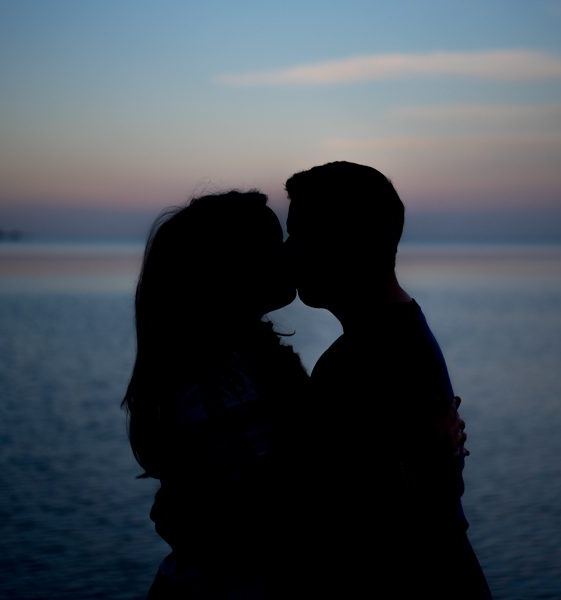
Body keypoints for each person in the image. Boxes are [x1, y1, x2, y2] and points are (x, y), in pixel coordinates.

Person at [282, 161, 491, 598]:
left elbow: (340, 521)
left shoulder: (361, 362)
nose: (289, 252)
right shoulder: (395, 337)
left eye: (299, 236)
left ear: (344, 244)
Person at [123, 191, 309, 598]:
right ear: (232, 268)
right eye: (272, 245)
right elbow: (288, 506)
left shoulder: (247, 361)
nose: (288, 254)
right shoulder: (217, 389)